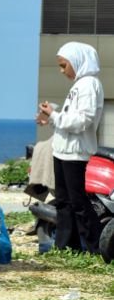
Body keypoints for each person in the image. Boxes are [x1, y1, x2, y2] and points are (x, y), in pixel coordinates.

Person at [37, 41, 104, 254]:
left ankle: (95, 249)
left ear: (77, 61)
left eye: (64, 65)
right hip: (63, 151)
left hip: (75, 153)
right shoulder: (79, 84)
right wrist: (52, 116)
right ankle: (67, 247)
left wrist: (54, 115)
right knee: (64, 201)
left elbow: (82, 121)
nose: (61, 70)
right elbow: (72, 115)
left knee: (78, 203)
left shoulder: (90, 84)